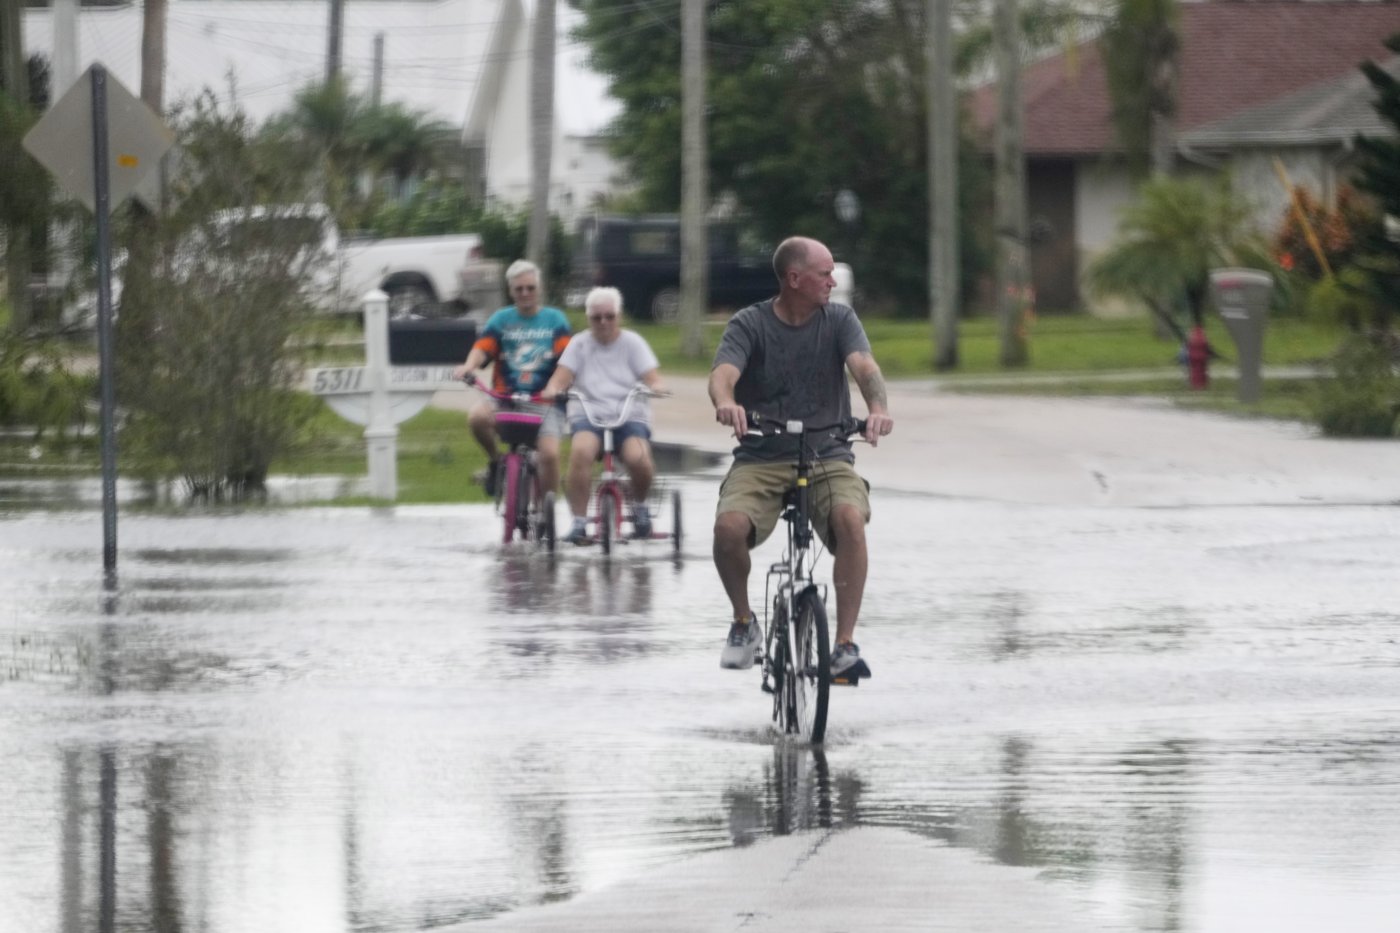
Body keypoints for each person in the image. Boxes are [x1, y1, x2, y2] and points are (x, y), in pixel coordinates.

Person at [709, 236, 893, 676]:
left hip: (827, 452)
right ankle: (742, 622)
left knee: (850, 520)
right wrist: (726, 402)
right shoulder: (749, 324)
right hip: (761, 456)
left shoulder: (840, 320)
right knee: (728, 528)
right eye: (825, 273)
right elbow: (723, 374)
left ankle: (844, 645)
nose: (833, 280)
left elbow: (864, 367)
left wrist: (878, 409)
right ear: (794, 279)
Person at [541, 287, 666, 544]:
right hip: (589, 415)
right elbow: (561, 377)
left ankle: (640, 506)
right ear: (589, 319)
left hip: (628, 416)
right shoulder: (579, 344)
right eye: (597, 318)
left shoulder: (633, 343)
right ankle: (578, 520)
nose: (604, 323)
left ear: (618, 316)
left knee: (638, 458)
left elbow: (653, 377)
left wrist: (657, 387)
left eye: (609, 316)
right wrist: (553, 389)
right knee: (580, 452)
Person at [452, 260, 571, 498]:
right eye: (519, 289)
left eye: (530, 288)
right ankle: (497, 462)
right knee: (477, 418)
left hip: (544, 402)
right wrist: (468, 366)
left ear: (539, 288)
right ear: (511, 291)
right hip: (507, 398)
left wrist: (555, 386)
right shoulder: (501, 319)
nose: (525, 293)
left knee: (549, 454)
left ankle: (545, 509)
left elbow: (568, 361)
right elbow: (483, 348)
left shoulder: (555, 320)